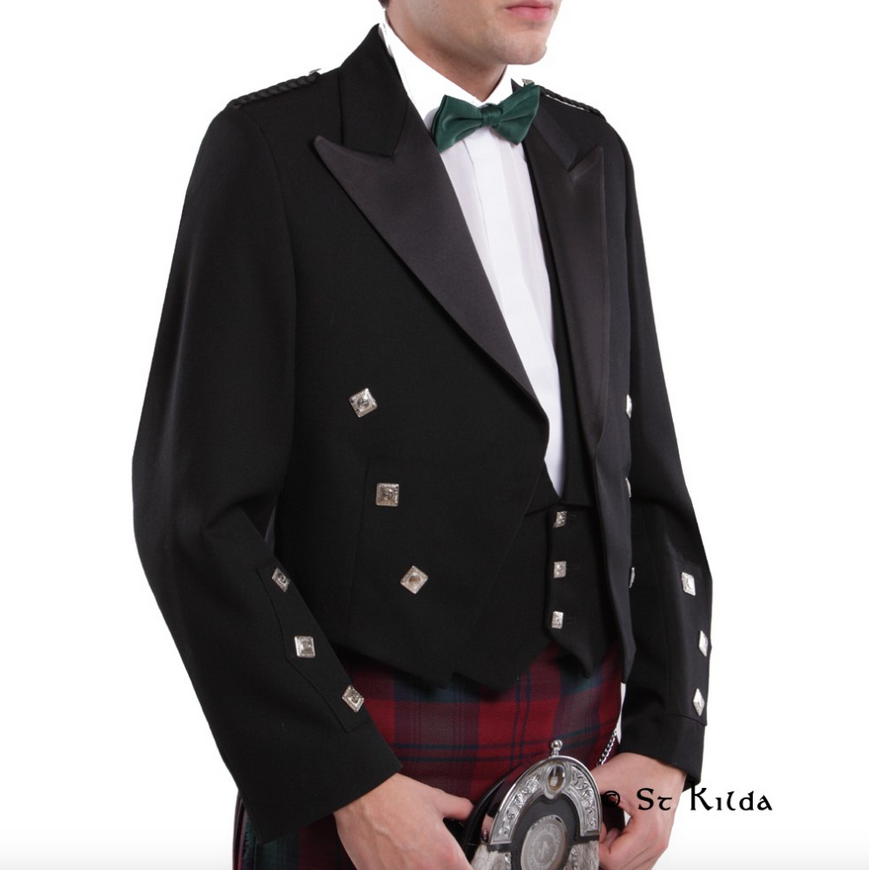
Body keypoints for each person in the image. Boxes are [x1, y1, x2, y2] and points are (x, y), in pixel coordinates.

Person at [133, 1, 712, 868]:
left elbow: (643, 466)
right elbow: (196, 517)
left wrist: (664, 744)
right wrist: (348, 783)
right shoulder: (271, 150)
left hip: (586, 756)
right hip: (377, 761)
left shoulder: (591, 150)